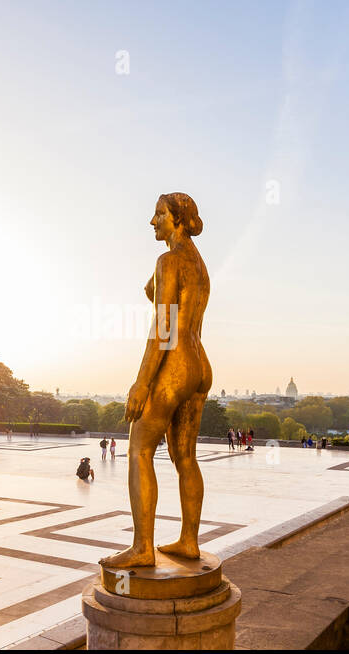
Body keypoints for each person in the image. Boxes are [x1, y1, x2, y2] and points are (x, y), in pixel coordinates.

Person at [99, 192, 212, 568]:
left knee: (139, 449)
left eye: (159, 214)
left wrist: (141, 383)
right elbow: (163, 297)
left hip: (174, 364)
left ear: (176, 219)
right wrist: (154, 285)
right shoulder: (196, 262)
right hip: (200, 363)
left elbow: (163, 326)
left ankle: (142, 547)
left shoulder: (167, 259)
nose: (152, 221)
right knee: (186, 459)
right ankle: (188, 542)